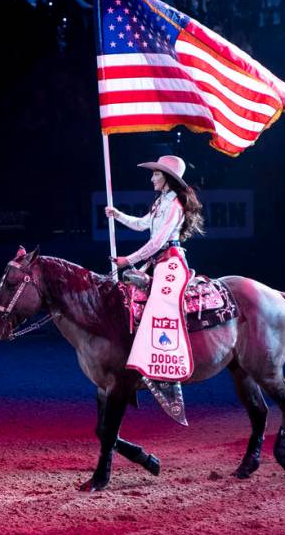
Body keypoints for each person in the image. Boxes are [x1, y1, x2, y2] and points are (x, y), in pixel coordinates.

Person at [104, 154, 204, 424]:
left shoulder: (175, 206)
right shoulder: (161, 201)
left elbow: (158, 240)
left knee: (161, 307)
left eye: (155, 174)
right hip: (157, 261)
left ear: (166, 177)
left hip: (171, 261)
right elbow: (142, 225)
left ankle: (167, 372)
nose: (151, 178)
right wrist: (118, 215)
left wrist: (128, 260)